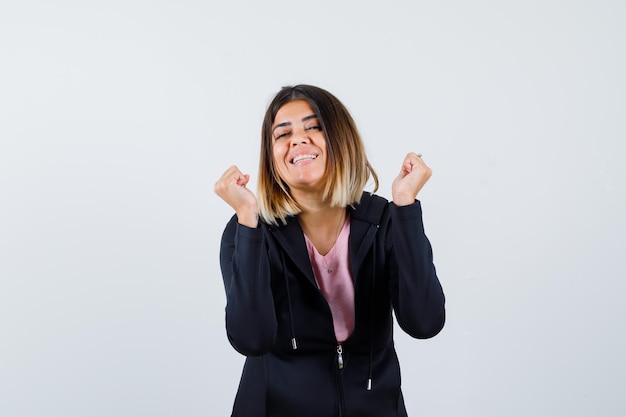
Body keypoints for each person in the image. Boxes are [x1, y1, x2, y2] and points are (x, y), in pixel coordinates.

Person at [214, 84, 445, 417]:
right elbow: (251, 339)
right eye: (282, 134)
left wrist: (405, 207)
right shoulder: (247, 230)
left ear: (341, 139)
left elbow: (425, 322)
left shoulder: (383, 221)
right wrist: (249, 221)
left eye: (314, 127)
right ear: (272, 156)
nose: (297, 139)